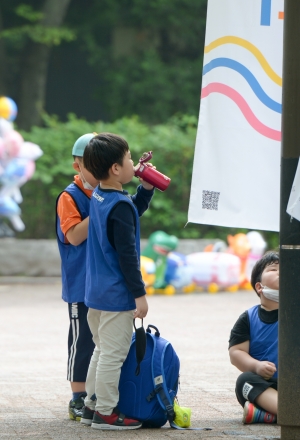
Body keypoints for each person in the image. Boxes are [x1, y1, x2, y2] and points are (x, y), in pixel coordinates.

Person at [80, 133, 154, 430]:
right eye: (128, 159)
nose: (132, 164)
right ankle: (106, 413)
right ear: (115, 168)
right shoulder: (119, 204)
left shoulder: (101, 195)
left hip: (95, 294)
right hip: (116, 295)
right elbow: (127, 255)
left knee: (101, 350)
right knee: (113, 354)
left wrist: (145, 189)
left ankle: (91, 404)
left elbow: (129, 212)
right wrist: (140, 295)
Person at [56, 133, 98, 421]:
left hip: (104, 283)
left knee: (104, 339)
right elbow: (73, 235)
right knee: (82, 339)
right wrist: (101, 207)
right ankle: (77, 396)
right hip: (80, 284)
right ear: (78, 165)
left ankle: (98, 392)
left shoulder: (108, 194)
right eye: (91, 165)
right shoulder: (69, 197)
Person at [228, 250, 279, 424]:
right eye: (274, 270)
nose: (282, 272)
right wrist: (256, 366)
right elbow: (236, 353)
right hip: (265, 385)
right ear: (259, 287)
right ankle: (287, 411)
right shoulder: (249, 318)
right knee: (245, 381)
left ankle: (269, 415)